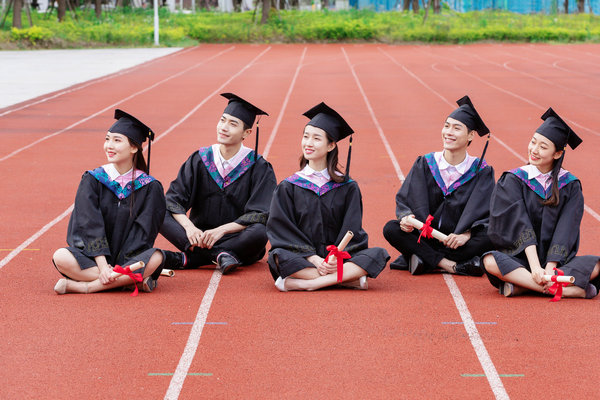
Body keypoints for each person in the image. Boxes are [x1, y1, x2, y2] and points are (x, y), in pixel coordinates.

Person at [267, 102, 389, 291]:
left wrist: (335, 257)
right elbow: (282, 229)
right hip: (304, 258)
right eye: (306, 136)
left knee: (378, 254)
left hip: (336, 258)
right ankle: (349, 279)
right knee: (278, 256)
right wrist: (314, 259)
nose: (308, 143)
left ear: (331, 145)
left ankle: (310, 283)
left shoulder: (347, 187)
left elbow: (352, 228)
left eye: (316, 138)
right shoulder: (288, 186)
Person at [483, 108, 599, 299]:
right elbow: (519, 223)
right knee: (490, 261)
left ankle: (523, 286)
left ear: (557, 154)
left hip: (557, 264)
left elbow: (567, 228)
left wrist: (551, 267)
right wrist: (536, 267)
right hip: (521, 259)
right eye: (533, 142)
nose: (534, 150)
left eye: (543, 147)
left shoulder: (570, 185)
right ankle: (563, 290)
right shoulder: (514, 179)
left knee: (597, 265)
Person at [52, 110, 166, 294]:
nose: (109, 146)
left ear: (134, 148)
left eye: (117, 140)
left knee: (157, 257)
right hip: (93, 259)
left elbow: (143, 232)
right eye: (107, 139)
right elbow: (89, 223)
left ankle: (85, 287)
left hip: (129, 259)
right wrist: (104, 266)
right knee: (61, 256)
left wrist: (121, 265)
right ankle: (127, 281)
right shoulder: (93, 179)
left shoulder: (150, 187)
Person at [160, 93, 277, 274]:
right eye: (223, 120)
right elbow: (174, 200)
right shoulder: (200, 159)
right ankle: (220, 255)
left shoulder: (258, 166)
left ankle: (191, 257)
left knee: (260, 231)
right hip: (198, 236)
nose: (224, 127)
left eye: (233, 124)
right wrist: (189, 227)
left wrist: (221, 231)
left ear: (247, 133)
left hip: (236, 238)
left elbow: (260, 214)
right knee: (159, 212)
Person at [383, 95, 495, 276]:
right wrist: (406, 218)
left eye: (456, 128)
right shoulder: (426, 163)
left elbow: (488, 213)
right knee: (391, 228)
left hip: (456, 242)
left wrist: (465, 235)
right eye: (446, 126)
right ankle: (448, 264)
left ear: (471, 135)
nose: (448, 132)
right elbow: (405, 200)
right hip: (425, 237)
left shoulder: (481, 171)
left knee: (492, 236)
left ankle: (424, 259)